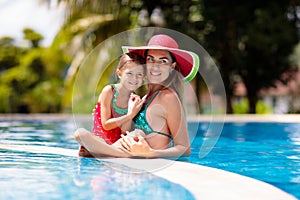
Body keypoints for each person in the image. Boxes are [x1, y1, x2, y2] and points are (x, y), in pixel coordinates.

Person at [74, 34, 200, 158]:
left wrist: (150, 153)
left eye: (163, 61)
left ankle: (106, 152)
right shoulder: (143, 99)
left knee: (81, 135)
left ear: (172, 67)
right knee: (82, 135)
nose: (155, 66)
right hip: (123, 156)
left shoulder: (168, 97)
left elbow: (184, 148)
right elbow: (123, 132)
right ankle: (106, 151)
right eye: (150, 59)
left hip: (135, 159)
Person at [78, 52, 146, 157]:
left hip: (116, 144)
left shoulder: (134, 99)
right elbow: (106, 125)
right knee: (80, 134)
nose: (134, 78)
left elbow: (124, 133)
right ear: (119, 73)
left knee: (138, 135)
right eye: (130, 74)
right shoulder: (109, 91)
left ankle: (100, 152)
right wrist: (129, 115)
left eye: (139, 75)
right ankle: (104, 151)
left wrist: (131, 114)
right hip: (100, 140)